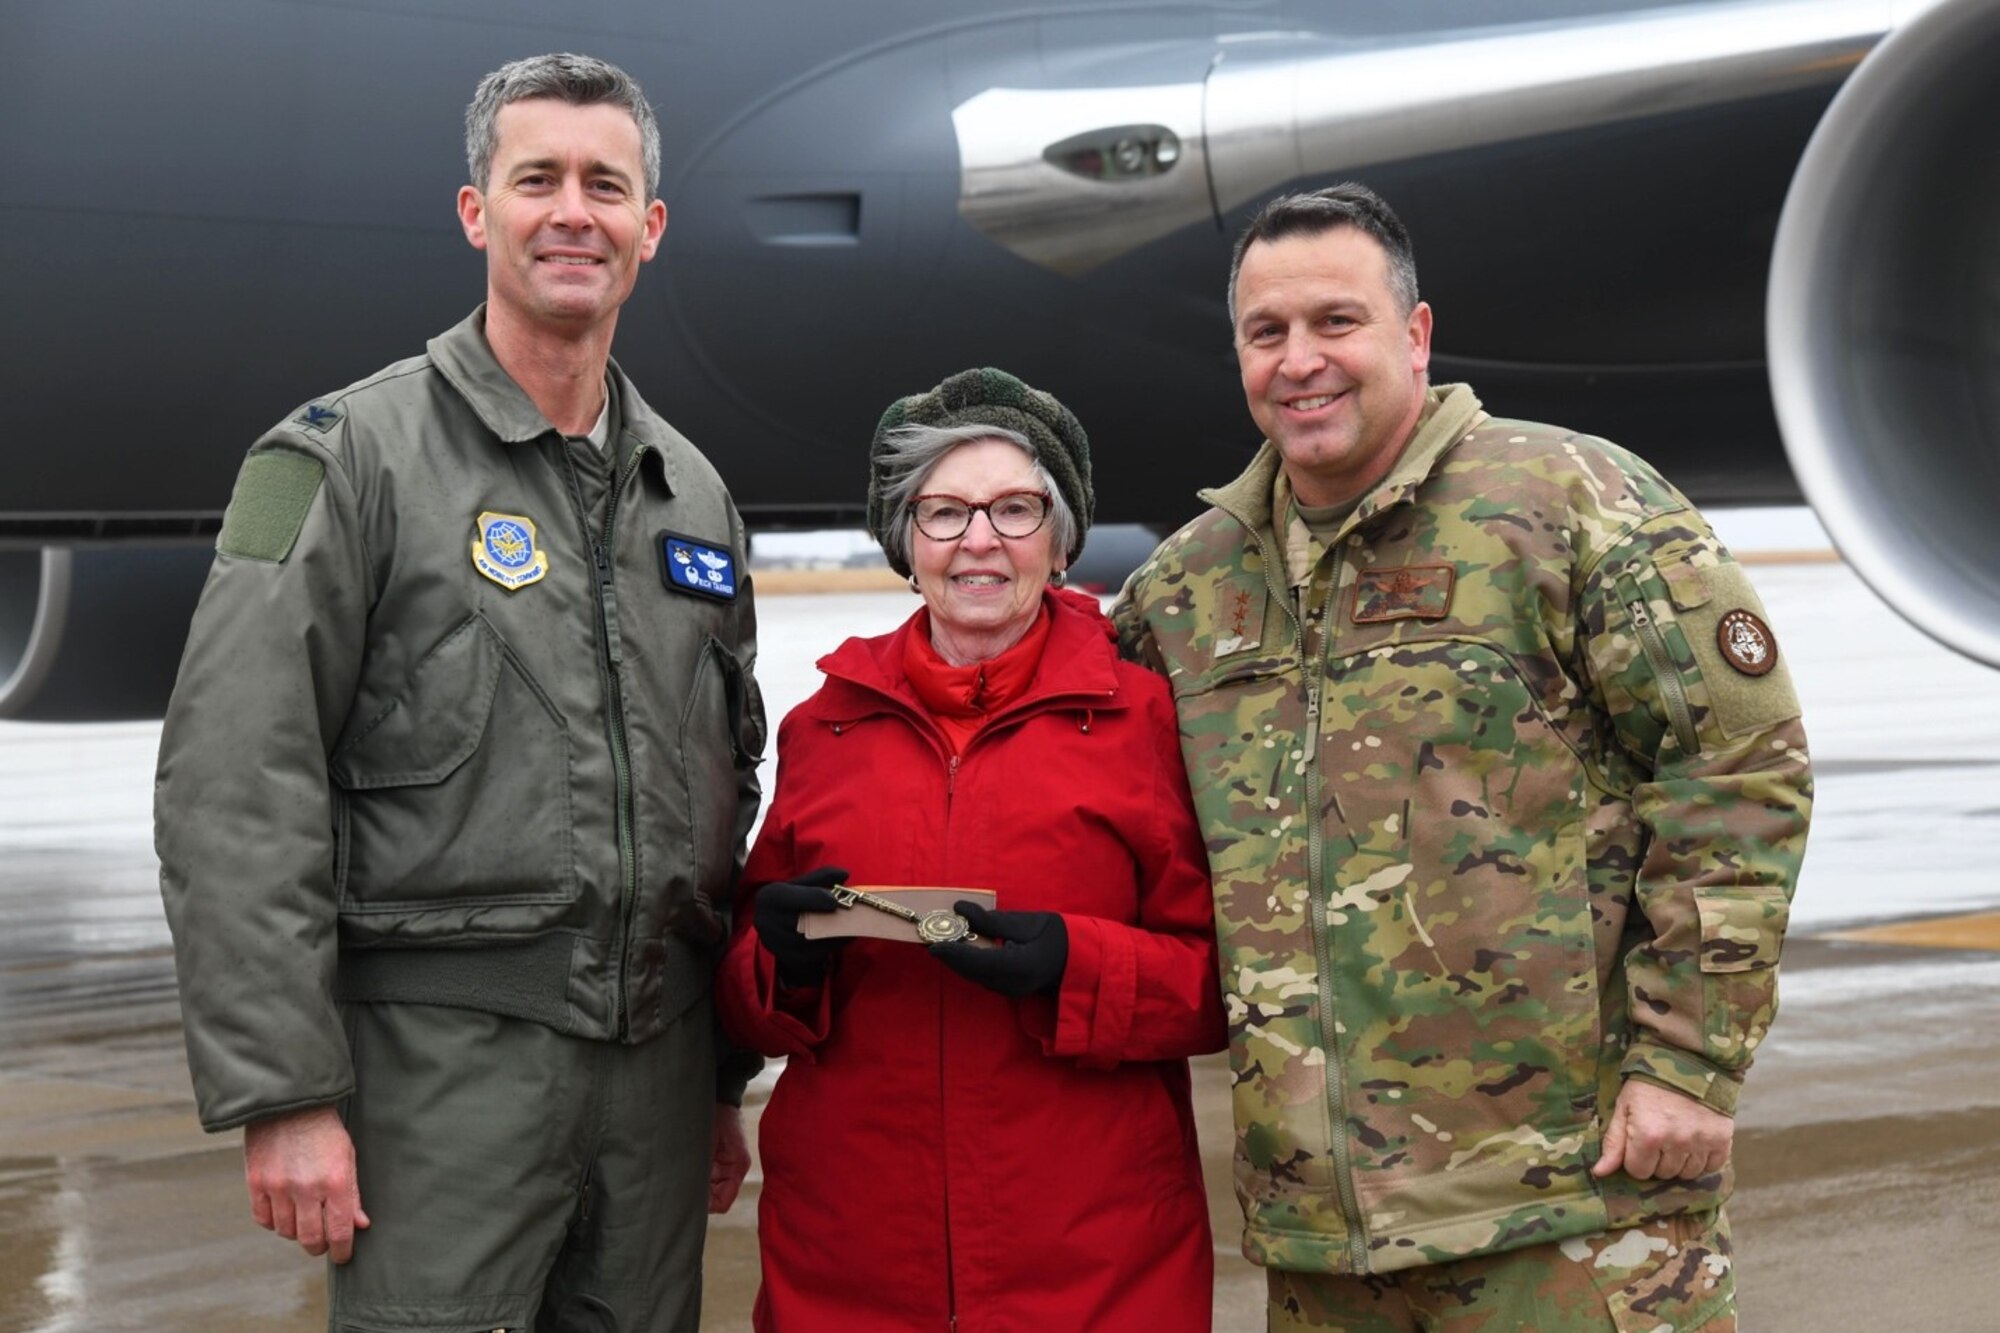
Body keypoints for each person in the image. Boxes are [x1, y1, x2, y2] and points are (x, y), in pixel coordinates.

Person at [1112, 184, 1813, 1331]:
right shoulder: (1191, 588)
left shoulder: (1572, 504)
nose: (1300, 361)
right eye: (1265, 332)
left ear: (1414, 333)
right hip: (1324, 1242)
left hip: (1569, 1207)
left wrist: (1686, 1062)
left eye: (1335, 321)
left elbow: (1736, 773)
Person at [155, 53, 763, 1331]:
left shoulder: (690, 493)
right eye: (534, 178)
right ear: (474, 211)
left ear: (649, 228)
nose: (571, 212)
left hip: (652, 1085)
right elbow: (234, 778)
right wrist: (285, 1094)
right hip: (441, 1078)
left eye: (607, 185)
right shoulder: (339, 458)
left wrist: (716, 1079)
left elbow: (718, 794)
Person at [717, 368, 1226, 1333]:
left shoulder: (1149, 720)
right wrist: (775, 963)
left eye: (1016, 508)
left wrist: (1078, 966)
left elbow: (1225, 982)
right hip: (850, 1269)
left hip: (1095, 1271)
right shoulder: (822, 728)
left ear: (1062, 536)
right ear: (906, 541)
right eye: (944, 512)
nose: (980, 540)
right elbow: (742, 997)